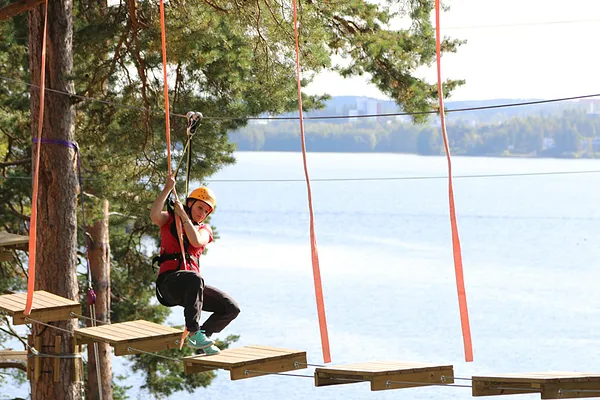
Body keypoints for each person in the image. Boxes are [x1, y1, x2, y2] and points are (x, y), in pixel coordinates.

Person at [150, 174, 240, 355]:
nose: (202, 213)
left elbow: (197, 241)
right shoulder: (170, 220)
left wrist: (184, 216)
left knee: (231, 308)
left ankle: (201, 341)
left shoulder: (204, 229)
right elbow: (154, 215)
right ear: (190, 204)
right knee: (194, 279)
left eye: (206, 211)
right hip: (170, 284)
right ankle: (193, 331)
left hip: (191, 287)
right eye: (200, 207)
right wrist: (167, 188)